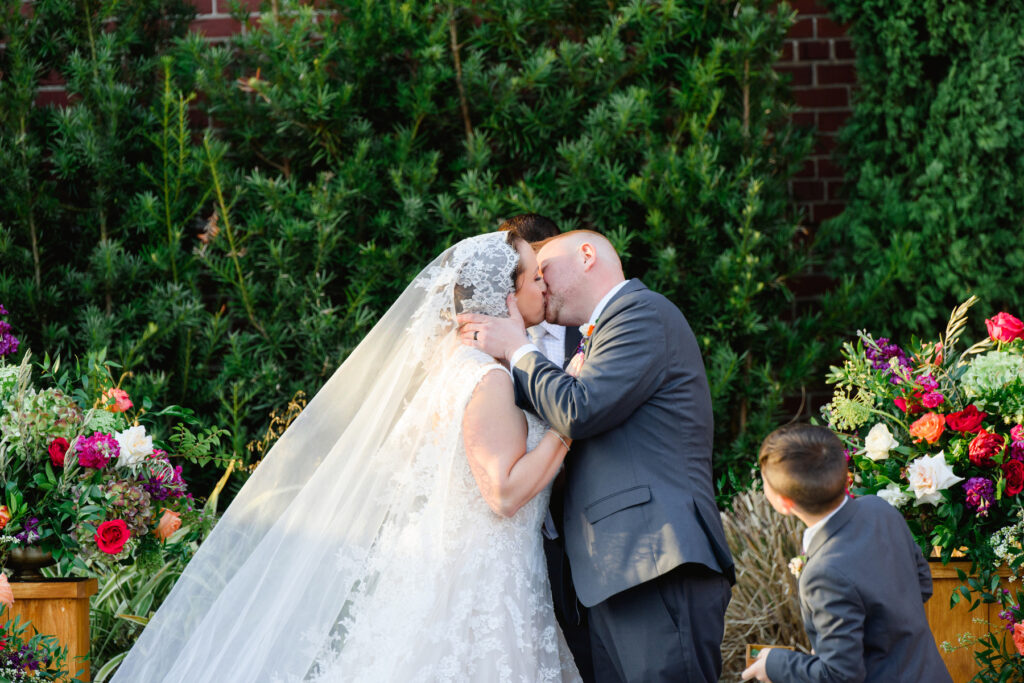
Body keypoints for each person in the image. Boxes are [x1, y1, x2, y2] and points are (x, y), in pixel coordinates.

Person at [111, 231, 582, 682]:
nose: (544, 284)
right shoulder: (487, 379)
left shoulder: (452, 366)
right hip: (483, 589)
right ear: (506, 292)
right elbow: (502, 492)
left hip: (459, 574)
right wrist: (566, 427)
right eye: (534, 277)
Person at [459, 230, 735, 683]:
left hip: (655, 561)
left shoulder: (643, 313)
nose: (541, 283)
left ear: (587, 256)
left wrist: (516, 348)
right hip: (611, 573)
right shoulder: (602, 333)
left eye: (544, 268)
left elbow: (578, 409)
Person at [742, 423, 952, 683]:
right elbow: (922, 584)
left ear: (784, 503)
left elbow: (840, 676)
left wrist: (775, 663)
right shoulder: (879, 509)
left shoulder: (823, 573)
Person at [498, 214, 593, 682]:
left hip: (596, 540)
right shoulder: (487, 356)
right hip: (522, 545)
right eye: (533, 274)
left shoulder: (599, 335)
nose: (543, 281)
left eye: (544, 270)